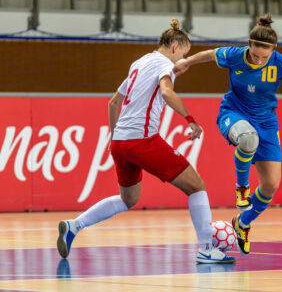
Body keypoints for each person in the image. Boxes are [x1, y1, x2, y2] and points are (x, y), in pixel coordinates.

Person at [56, 19, 236, 264]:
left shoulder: (138, 63)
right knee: (197, 187)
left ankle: (74, 225)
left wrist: (113, 137)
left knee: (128, 199)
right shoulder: (165, 65)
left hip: (121, 143)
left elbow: (113, 103)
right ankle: (206, 248)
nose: (183, 61)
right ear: (175, 47)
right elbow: (166, 92)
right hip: (142, 140)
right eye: (184, 54)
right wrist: (190, 119)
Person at [173, 13, 282, 256]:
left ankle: (242, 222)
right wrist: (187, 62)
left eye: (264, 56)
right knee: (248, 139)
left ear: (273, 51)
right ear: (249, 45)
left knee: (271, 186)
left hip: (267, 123)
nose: (259, 59)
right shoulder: (235, 55)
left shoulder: (280, 62)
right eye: (255, 54)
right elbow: (209, 54)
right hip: (234, 113)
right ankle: (242, 187)